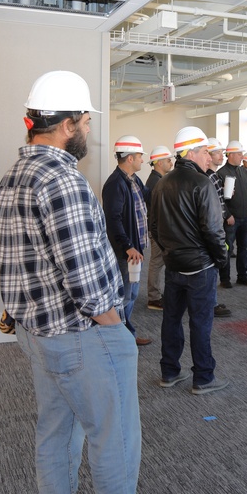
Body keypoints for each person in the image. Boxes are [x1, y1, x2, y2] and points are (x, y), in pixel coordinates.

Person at [0, 70, 154, 494]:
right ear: (67, 125)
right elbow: (84, 278)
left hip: (37, 332)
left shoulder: (16, 174)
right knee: (114, 439)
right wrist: (113, 327)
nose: (88, 129)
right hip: (83, 335)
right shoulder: (63, 179)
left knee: (56, 433)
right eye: (85, 121)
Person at [151, 126, 230, 394]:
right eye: (206, 152)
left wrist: (170, 250)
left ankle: (169, 372)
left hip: (174, 266)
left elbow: (154, 227)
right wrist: (221, 260)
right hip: (200, 267)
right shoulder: (202, 183)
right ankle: (204, 377)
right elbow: (212, 229)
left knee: (171, 320)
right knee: (200, 323)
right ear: (192, 153)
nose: (209, 157)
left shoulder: (162, 183)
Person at [102, 135, 152, 346]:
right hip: (126, 251)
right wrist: (128, 246)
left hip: (135, 248)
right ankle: (121, 338)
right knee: (124, 295)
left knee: (132, 293)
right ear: (130, 158)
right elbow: (113, 220)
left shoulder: (134, 180)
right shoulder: (115, 184)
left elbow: (147, 200)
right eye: (140, 156)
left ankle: (126, 332)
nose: (143, 159)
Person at [217, 140, 247, 288]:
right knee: (227, 249)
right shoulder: (221, 174)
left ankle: (242, 276)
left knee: (244, 248)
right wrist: (227, 215)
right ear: (231, 155)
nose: (242, 156)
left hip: (246, 218)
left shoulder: (245, 172)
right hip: (231, 220)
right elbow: (219, 198)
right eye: (239, 154)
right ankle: (225, 279)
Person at [204, 138, 232, 316]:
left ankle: (211, 302)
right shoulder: (208, 176)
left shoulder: (213, 176)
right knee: (211, 266)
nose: (222, 156)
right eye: (218, 153)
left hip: (216, 225)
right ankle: (210, 305)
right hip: (213, 227)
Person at [144, 145, 173, 311]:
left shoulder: (157, 180)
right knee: (156, 262)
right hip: (159, 229)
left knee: (158, 262)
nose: (171, 163)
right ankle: (154, 298)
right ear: (159, 162)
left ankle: (155, 295)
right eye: (168, 160)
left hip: (159, 228)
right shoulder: (156, 182)